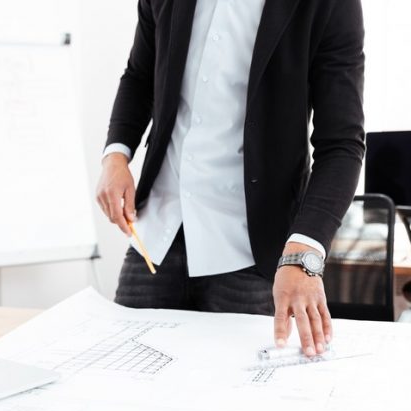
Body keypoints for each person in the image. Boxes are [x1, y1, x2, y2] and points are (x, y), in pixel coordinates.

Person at [96, 0, 365, 357]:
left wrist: (306, 249)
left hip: (251, 252)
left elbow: (341, 144)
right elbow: (140, 74)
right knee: (122, 386)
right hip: (157, 236)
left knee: (236, 405)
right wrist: (116, 154)